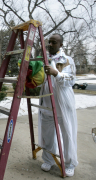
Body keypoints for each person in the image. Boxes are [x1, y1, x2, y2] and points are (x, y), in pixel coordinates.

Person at [38, 33, 78, 177]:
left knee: (67, 134)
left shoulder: (67, 60)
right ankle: (48, 160)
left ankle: (69, 163)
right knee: (47, 134)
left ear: (60, 45)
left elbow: (72, 80)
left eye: (53, 42)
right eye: (49, 42)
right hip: (47, 104)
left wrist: (57, 73)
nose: (50, 45)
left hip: (63, 105)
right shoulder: (45, 59)